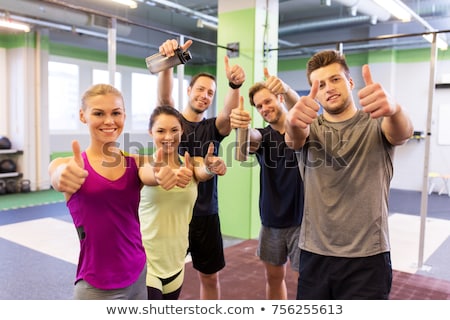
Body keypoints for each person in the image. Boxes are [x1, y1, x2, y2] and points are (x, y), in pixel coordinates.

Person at [284, 50, 414, 299]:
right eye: (319, 85)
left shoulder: (376, 122)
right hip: (315, 254)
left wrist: (395, 109)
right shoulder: (310, 127)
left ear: (350, 82)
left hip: (368, 257)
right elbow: (294, 138)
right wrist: (291, 122)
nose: (328, 88)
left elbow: (402, 132)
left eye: (335, 79)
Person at [156, 38, 245, 299]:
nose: (204, 95)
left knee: (210, 278)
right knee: (166, 278)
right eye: (200, 89)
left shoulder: (214, 128)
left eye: (210, 93)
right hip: (173, 212)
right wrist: (169, 62)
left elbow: (228, 115)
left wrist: (235, 85)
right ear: (189, 90)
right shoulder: (174, 122)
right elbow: (163, 97)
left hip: (205, 213)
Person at [48, 84, 149, 300]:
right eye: (98, 113)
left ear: (124, 116)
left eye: (116, 113)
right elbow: (58, 176)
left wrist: (165, 173)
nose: (109, 121)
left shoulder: (136, 162)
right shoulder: (68, 164)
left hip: (139, 272)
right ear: (83, 116)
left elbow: (155, 171)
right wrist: (63, 176)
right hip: (96, 286)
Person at [229, 69, 304, 299]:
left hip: (303, 220)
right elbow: (248, 142)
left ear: (280, 98)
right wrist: (241, 127)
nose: (264, 109)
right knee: (273, 278)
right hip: (271, 220)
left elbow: (299, 109)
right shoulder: (263, 137)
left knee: (307, 280)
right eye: (259, 106)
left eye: (268, 101)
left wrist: (286, 89)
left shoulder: (302, 130)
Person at [138, 106, 227, 300]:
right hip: (146, 261)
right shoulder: (144, 163)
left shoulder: (192, 163)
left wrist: (211, 168)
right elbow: (148, 175)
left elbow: (202, 172)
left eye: (174, 130)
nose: (168, 136)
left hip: (176, 261)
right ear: (150, 132)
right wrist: (158, 175)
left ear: (182, 131)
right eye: (161, 131)